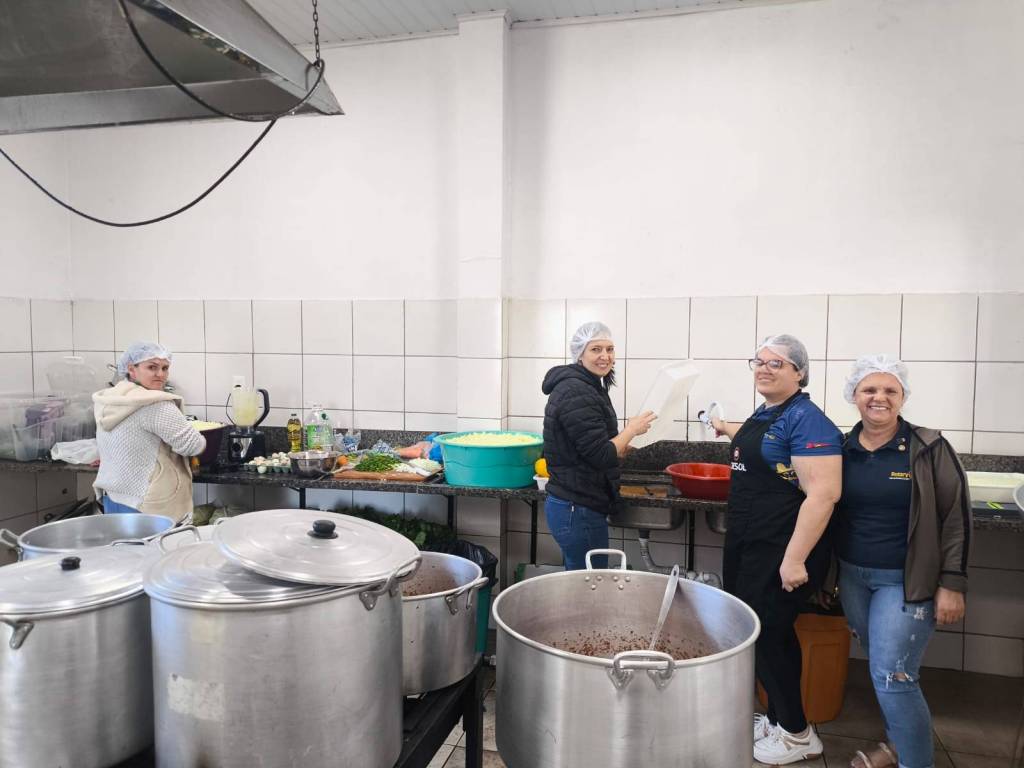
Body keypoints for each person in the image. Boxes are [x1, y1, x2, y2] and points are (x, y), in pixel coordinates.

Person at [710, 334, 842, 765]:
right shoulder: (769, 412)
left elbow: (823, 495)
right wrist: (725, 427)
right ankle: (777, 718)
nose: (764, 369)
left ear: (799, 373)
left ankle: (798, 734)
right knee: (762, 633)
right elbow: (763, 446)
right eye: (759, 361)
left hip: (782, 547)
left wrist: (795, 559)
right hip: (753, 542)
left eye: (777, 363)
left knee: (769, 636)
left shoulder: (808, 421)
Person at [835, 356, 970, 768]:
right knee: (885, 668)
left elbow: (956, 518)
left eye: (890, 390)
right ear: (854, 396)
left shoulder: (928, 447)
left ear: (903, 397)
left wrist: (952, 582)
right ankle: (898, 746)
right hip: (853, 577)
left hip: (905, 581)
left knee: (895, 676)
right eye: (869, 389)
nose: (879, 397)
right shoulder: (841, 448)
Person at [541, 322, 656, 570]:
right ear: (580, 354)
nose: (605, 356)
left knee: (582, 579)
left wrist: (625, 442)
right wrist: (631, 430)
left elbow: (591, 445)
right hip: (577, 508)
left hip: (577, 504)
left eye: (610, 349)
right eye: (596, 349)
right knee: (590, 581)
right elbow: (601, 454)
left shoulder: (589, 386)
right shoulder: (576, 391)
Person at [93, 342, 206, 518]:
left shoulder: (108, 399)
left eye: (165, 368)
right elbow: (193, 445)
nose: (160, 374)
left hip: (113, 499)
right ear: (131, 369)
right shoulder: (155, 405)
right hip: (147, 503)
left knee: (120, 538)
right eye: (152, 367)